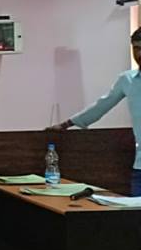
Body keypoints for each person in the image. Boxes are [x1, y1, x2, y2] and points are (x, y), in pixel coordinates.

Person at [47, 28, 141, 196]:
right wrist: (66, 124)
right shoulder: (127, 80)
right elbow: (101, 105)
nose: (139, 54)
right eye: (136, 48)